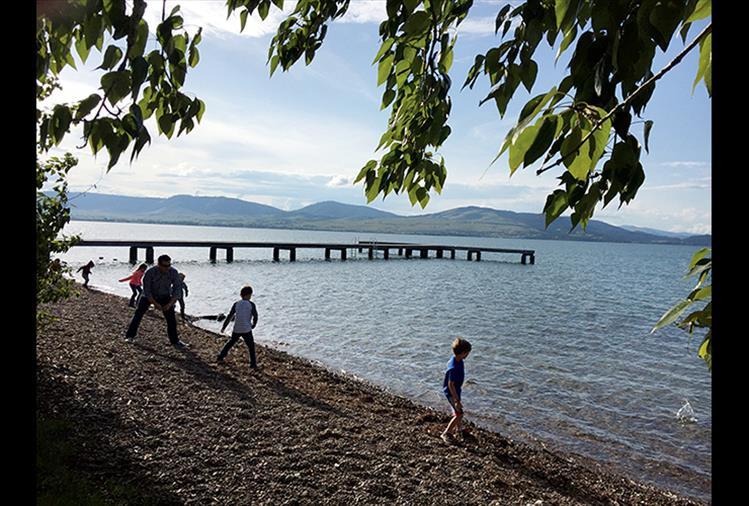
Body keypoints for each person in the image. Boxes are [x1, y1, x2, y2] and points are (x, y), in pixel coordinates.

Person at [124, 254, 188, 348]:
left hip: (165, 296)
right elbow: (147, 290)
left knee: (171, 319)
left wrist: (170, 304)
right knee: (138, 315)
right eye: (165, 266)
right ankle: (130, 336)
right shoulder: (150, 272)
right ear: (158, 264)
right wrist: (155, 304)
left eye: (169, 265)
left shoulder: (173, 272)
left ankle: (175, 341)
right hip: (148, 296)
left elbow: (177, 289)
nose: (167, 268)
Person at [217, 285, 259, 369]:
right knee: (251, 346)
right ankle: (253, 364)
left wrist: (224, 327)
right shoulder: (251, 304)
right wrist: (254, 324)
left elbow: (229, 316)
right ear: (248, 295)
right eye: (250, 295)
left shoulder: (236, 304)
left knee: (231, 342)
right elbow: (255, 315)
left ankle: (221, 356)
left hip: (237, 328)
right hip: (246, 329)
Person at [440, 337, 472, 444]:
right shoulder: (454, 366)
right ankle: (446, 433)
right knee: (459, 413)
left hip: (456, 391)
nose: (468, 355)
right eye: (467, 353)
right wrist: (456, 399)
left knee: (457, 411)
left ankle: (459, 430)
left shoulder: (458, 360)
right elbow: (450, 385)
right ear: (463, 353)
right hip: (451, 392)